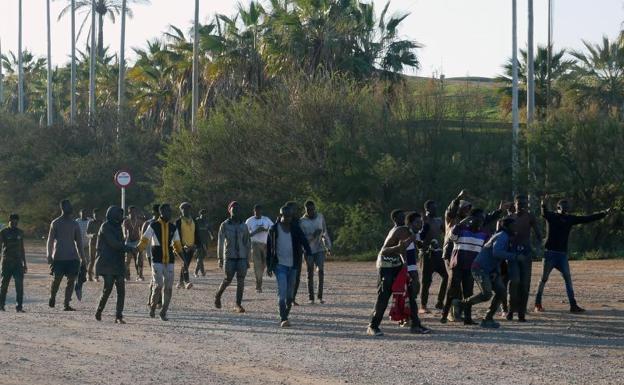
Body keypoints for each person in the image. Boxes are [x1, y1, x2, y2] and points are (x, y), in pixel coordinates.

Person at [534, 197, 612, 313]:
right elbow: (544, 213)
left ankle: (573, 305)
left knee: (568, 280)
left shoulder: (570, 219)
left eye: (567, 207)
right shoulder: (552, 217)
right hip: (550, 253)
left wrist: (603, 213)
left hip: (562, 255)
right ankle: (537, 303)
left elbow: (587, 219)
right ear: (558, 208)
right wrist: (543, 205)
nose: (566, 209)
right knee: (544, 279)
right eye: (563, 207)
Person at [367, 209, 430, 337]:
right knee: (384, 296)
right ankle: (372, 326)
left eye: (421, 223)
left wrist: (417, 244)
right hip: (386, 265)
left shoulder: (413, 233)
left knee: (411, 293)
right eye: (418, 223)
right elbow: (384, 251)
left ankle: (415, 325)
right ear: (410, 224)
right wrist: (401, 246)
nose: (420, 225)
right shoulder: (401, 231)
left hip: (398, 265)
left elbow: (408, 251)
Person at [462, 217, 519, 329]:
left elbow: (495, 258)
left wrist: (496, 271)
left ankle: (488, 318)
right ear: (506, 227)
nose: (516, 228)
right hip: (480, 268)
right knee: (487, 294)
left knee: (501, 291)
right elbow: (496, 253)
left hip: (489, 270)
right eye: (513, 226)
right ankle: (461, 304)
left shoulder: (504, 236)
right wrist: (515, 257)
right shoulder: (503, 236)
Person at [440, 209, 489, 325]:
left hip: (471, 267)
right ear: (471, 219)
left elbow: (487, 249)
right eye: (479, 219)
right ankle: (444, 315)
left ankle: (467, 318)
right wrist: (462, 222)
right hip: (457, 266)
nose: (481, 221)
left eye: (483, 219)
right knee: (451, 291)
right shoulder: (461, 230)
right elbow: (451, 237)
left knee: (468, 293)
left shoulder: (484, 234)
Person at [137, 204, 183, 321]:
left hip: (170, 261)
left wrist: (184, 260)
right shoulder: (153, 226)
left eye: (170, 211)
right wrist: (138, 253)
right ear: (161, 212)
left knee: (168, 287)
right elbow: (144, 240)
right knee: (158, 286)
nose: (169, 213)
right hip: (156, 260)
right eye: (167, 211)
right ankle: (152, 307)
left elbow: (177, 245)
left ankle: (163, 311)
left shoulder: (173, 227)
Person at [266, 205, 310, 327]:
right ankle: (283, 318)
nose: (288, 218)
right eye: (285, 216)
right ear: (280, 216)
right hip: (279, 265)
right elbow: (269, 249)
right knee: (282, 293)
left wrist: (309, 252)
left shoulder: (295, 228)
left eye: (290, 216)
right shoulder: (274, 229)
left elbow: (304, 241)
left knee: (290, 296)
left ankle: (286, 312)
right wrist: (269, 266)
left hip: (293, 265)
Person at [95, 206, 136, 324]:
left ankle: (118, 316)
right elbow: (113, 243)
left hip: (118, 262)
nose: (121, 216)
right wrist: (129, 248)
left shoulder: (119, 227)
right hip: (107, 263)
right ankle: (99, 310)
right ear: (112, 214)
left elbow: (121, 243)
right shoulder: (105, 226)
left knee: (121, 290)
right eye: (119, 214)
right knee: (107, 289)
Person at [506, 195, 542, 321]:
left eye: (524, 204)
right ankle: (511, 310)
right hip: (513, 254)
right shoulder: (509, 218)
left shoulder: (530, 217)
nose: (522, 206)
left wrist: (538, 248)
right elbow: (501, 234)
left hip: (526, 253)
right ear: (514, 204)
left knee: (525, 284)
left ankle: (521, 313)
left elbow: (538, 234)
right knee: (514, 281)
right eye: (519, 204)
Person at [47, 199, 86, 311]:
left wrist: (83, 258)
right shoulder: (55, 223)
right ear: (62, 208)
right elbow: (50, 241)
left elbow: (79, 243)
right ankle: (52, 296)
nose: (71, 208)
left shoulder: (75, 224)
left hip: (72, 258)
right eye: (68, 206)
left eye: (71, 206)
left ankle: (66, 304)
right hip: (59, 257)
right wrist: (49, 255)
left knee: (71, 281)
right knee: (57, 279)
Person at [214, 201, 251, 313]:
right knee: (227, 279)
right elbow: (220, 242)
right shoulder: (224, 225)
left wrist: (248, 259)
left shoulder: (244, 226)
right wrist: (220, 258)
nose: (236, 211)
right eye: (233, 209)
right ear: (229, 210)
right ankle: (217, 296)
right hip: (229, 257)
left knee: (241, 281)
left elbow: (247, 243)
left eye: (238, 209)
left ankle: (238, 304)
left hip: (242, 258)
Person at [299, 200, 332, 304]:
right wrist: (313, 236)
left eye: (312, 209)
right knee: (310, 273)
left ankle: (320, 296)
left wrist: (328, 246)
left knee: (321, 271)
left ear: (315, 208)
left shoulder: (320, 217)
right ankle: (311, 297)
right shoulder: (302, 221)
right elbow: (302, 240)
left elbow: (325, 232)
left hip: (320, 249)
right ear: (305, 210)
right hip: (308, 250)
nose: (310, 212)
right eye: (308, 210)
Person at [419, 200, 448, 313]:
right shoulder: (423, 221)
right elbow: (420, 237)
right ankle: (423, 306)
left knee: (446, 276)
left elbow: (446, 232)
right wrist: (424, 226)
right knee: (426, 281)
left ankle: (440, 302)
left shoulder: (438, 220)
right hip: (427, 254)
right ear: (427, 209)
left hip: (438, 253)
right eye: (433, 208)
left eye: (436, 207)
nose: (435, 210)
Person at [0, 214, 27, 312]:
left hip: (18, 263)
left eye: (16, 222)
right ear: (9, 221)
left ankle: (19, 307)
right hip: (6, 262)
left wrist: (25, 264)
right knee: (4, 285)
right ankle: (1, 305)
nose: (14, 223)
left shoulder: (20, 232)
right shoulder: (3, 232)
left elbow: (22, 248)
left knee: (19, 285)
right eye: (13, 222)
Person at [287, 201, 311, 306]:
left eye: (295, 209)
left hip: (297, 252)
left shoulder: (298, 222)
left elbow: (302, 237)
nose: (295, 211)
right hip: (285, 252)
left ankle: (292, 298)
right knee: (287, 276)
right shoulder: (281, 222)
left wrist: (308, 250)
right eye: (293, 208)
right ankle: (286, 297)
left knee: (296, 276)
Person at [245, 205, 273, 293]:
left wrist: (265, 229)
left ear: (262, 211)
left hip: (265, 245)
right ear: (254, 211)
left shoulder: (266, 220)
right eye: (256, 211)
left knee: (263, 264)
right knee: (257, 265)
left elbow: (273, 229)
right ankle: (258, 285)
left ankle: (259, 278)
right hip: (255, 244)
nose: (257, 213)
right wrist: (256, 231)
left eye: (259, 211)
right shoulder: (250, 221)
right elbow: (245, 234)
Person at [175, 202, 201, 289]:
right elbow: (176, 236)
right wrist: (182, 246)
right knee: (185, 263)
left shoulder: (194, 221)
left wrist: (198, 245)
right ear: (180, 210)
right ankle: (187, 282)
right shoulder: (178, 222)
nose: (186, 210)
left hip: (191, 247)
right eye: (184, 208)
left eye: (188, 208)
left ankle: (180, 282)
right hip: (182, 248)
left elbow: (197, 234)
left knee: (185, 264)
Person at [142, 204, 161, 308]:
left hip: (162, 253)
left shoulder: (164, 223)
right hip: (151, 254)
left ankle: (154, 299)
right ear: (154, 212)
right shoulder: (148, 224)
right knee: (156, 276)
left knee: (157, 276)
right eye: (159, 211)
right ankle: (155, 300)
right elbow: (143, 239)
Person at [123, 206, 145, 281]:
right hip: (129, 242)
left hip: (137, 242)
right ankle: (127, 276)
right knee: (127, 261)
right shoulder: (126, 221)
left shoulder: (139, 221)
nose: (132, 213)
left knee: (139, 259)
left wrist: (141, 241)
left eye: (134, 212)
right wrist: (125, 236)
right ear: (128, 212)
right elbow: (124, 231)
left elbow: (142, 231)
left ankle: (140, 275)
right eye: (130, 212)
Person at [74, 209, 91, 301]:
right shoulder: (76, 222)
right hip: (78, 246)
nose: (83, 214)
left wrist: (90, 236)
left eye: (85, 213)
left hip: (87, 246)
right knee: (80, 264)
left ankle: (81, 278)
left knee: (86, 263)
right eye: (82, 213)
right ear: (79, 213)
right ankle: (79, 280)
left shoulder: (90, 221)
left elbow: (92, 233)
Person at [194, 209, 214, 277]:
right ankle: (196, 272)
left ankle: (202, 272)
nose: (204, 216)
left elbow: (210, 230)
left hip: (205, 241)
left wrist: (212, 236)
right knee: (199, 257)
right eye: (203, 214)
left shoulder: (207, 222)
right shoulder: (196, 221)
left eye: (205, 214)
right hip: (198, 242)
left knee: (202, 257)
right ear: (200, 215)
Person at [86, 208, 103, 282]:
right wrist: (92, 235)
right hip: (92, 243)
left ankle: (96, 276)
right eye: (95, 215)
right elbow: (86, 234)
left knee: (99, 260)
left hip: (100, 244)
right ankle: (89, 275)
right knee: (92, 260)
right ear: (93, 215)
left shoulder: (102, 223)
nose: (96, 216)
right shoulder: (90, 222)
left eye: (98, 215)